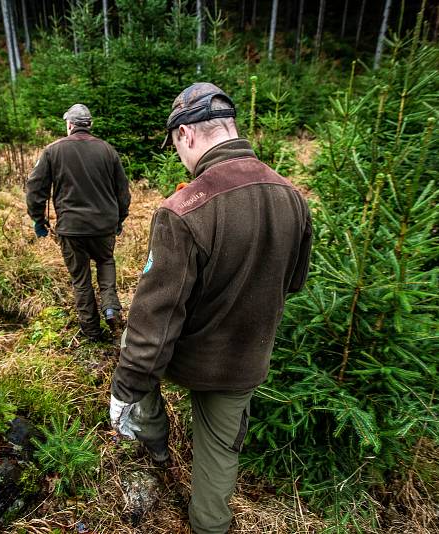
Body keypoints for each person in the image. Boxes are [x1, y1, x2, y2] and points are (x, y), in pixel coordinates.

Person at [109, 83, 313, 533]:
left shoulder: (183, 209)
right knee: (219, 457)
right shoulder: (292, 196)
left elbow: (154, 319)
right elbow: (293, 283)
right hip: (244, 360)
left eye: (175, 146)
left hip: (189, 357)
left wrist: (124, 390)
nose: (179, 157)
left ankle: (154, 443)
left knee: (134, 347)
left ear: (185, 134)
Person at [26, 103, 131, 341]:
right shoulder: (107, 150)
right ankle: (111, 307)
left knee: (81, 279)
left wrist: (38, 220)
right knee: (105, 261)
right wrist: (119, 219)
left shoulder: (52, 151)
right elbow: (122, 191)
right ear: (90, 125)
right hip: (104, 226)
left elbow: (35, 188)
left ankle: (92, 332)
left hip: (71, 229)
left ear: (70, 125)